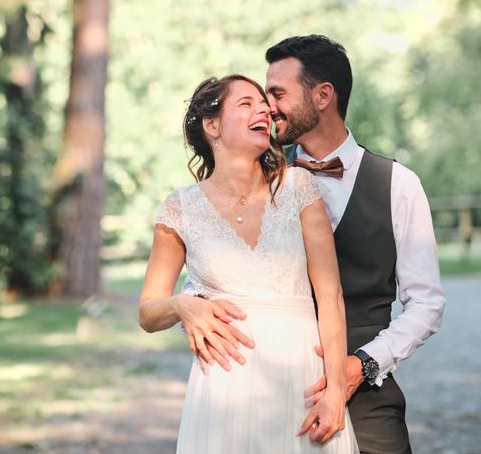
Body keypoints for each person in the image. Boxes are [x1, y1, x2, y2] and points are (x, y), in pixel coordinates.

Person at [183, 35, 446, 454]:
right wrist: (192, 305)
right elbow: (206, 264)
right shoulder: (254, 175)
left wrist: (362, 365)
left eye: (277, 93)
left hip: (367, 394)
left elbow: (427, 303)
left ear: (323, 95)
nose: (267, 107)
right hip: (269, 391)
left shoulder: (399, 185)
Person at [139, 74, 359, 452]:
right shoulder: (180, 209)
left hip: (301, 382)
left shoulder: (299, 188)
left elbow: (331, 296)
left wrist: (335, 391)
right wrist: (181, 305)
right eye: (246, 103)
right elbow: (147, 312)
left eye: (264, 103)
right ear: (212, 125)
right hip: (224, 390)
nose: (264, 109)